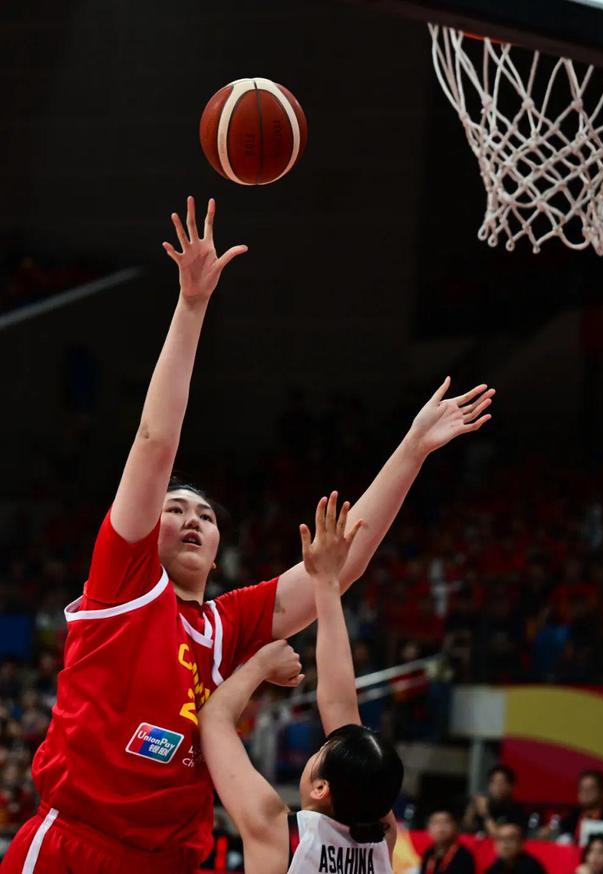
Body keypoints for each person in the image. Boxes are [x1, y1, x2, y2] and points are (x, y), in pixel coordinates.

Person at [1, 198, 493, 874]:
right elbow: (154, 442)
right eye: (176, 509)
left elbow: (337, 567)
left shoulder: (228, 625)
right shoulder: (123, 586)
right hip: (76, 846)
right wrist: (191, 305)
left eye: (205, 515)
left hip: (170, 862)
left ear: (218, 550)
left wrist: (412, 450)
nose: (192, 518)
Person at [199, 493, 403, 873]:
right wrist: (326, 584)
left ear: (321, 787)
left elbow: (213, 718)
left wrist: (260, 663)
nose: (325, 740)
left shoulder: (279, 833)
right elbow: (340, 707)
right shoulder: (383, 837)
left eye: (323, 750)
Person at [557, 770, 603, 842]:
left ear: (602, 792)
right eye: (582, 789)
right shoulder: (572, 817)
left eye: (591, 789)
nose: (585, 793)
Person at [463, 765, 524, 837]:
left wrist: (485, 814)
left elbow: (498, 836)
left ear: (511, 786)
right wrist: (471, 810)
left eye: (502, 783)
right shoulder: (485, 803)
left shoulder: (515, 810)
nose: (498, 787)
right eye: (494, 782)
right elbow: (467, 830)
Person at [419, 809, 475, 874]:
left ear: (455, 827)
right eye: (436, 822)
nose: (441, 827)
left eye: (446, 822)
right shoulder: (428, 853)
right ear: (428, 829)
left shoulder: (463, 856)